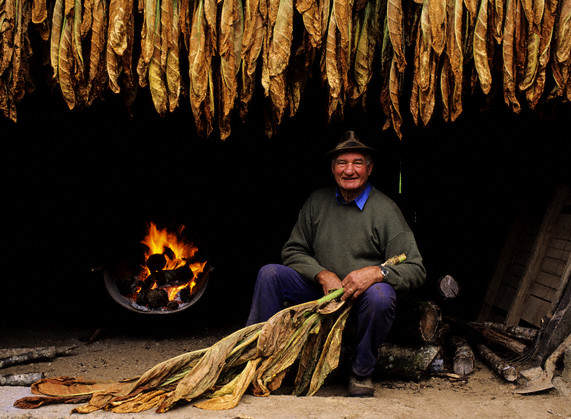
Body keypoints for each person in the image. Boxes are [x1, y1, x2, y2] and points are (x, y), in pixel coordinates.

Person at [246, 130, 426, 397]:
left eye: (357, 163)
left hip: (359, 299)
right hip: (320, 294)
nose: (349, 170)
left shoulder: (385, 210)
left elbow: (415, 268)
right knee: (270, 273)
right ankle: (258, 361)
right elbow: (293, 250)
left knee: (381, 295)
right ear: (332, 168)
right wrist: (322, 274)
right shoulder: (317, 202)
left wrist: (377, 273)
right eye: (342, 163)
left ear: (369, 168)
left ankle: (361, 372)